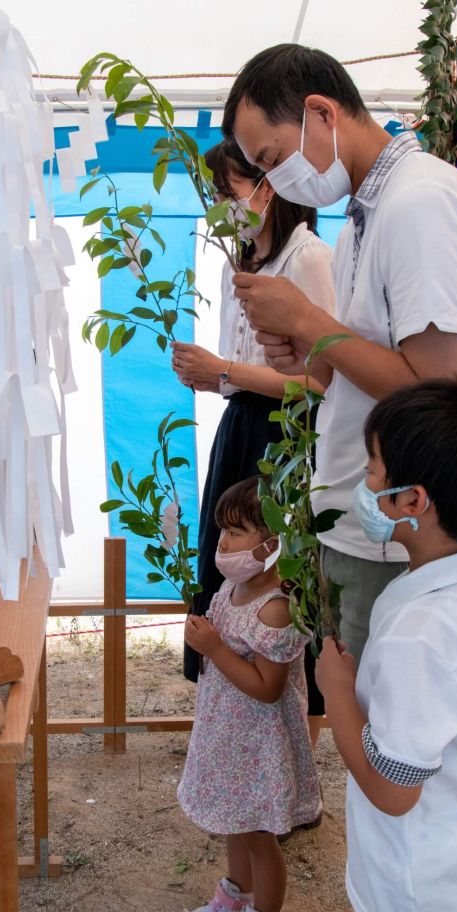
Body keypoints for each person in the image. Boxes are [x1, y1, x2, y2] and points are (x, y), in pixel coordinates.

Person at [222, 43, 457, 664]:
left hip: (405, 539)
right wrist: (306, 354)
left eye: (272, 158)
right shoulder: (363, 219)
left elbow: (443, 396)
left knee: (397, 747)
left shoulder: (420, 205)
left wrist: (308, 320)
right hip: (370, 529)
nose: (275, 183)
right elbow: (357, 373)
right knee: (374, 739)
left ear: (321, 113)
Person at [315, 377, 457, 912]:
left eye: (372, 471)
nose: (365, 483)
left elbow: (393, 789)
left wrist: (336, 692)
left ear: (413, 501)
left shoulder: (425, 634)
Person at [171, 138, 334, 743]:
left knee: (281, 575)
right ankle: (233, 725)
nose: (221, 204)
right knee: (232, 563)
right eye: (215, 194)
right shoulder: (236, 262)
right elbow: (238, 373)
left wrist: (226, 372)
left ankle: (294, 747)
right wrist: (210, 376)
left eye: (228, 190)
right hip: (242, 427)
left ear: (269, 186)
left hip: (288, 434)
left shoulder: (307, 259)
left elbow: (318, 380)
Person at [178, 476, 321, 912]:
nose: (224, 542)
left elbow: (266, 689)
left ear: (273, 543)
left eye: (237, 531)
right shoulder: (229, 588)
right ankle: (236, 899)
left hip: (260, 744)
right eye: (222, 530)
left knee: (259, 835)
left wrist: (213, 647)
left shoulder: (275, 608)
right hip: (228, 735)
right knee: (233, 821)